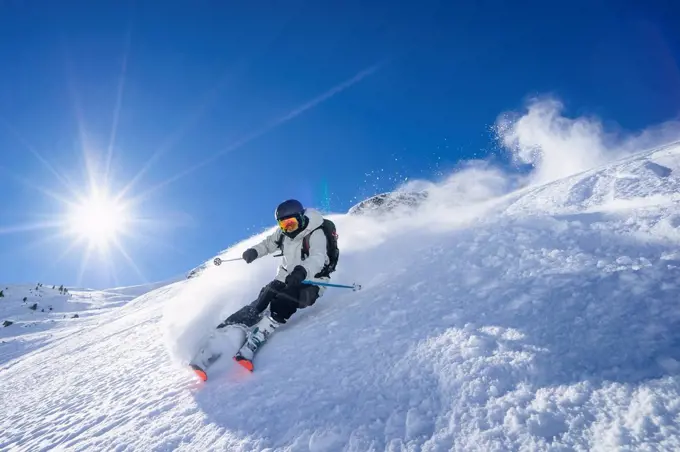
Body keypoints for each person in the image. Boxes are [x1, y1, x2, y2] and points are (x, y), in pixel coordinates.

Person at [217, 199, 333, 362]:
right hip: (286, 276)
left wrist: (301, 271)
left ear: (301, 218)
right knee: (265, 296)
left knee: (286, 299)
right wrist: (254, 251)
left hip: (312, 280)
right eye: (284, 225)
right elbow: (268, 244)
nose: (288, 229)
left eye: (291, 223)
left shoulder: (316, 232)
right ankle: (229, 326)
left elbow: (318, 258)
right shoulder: (283, 234)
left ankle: (261, 333)